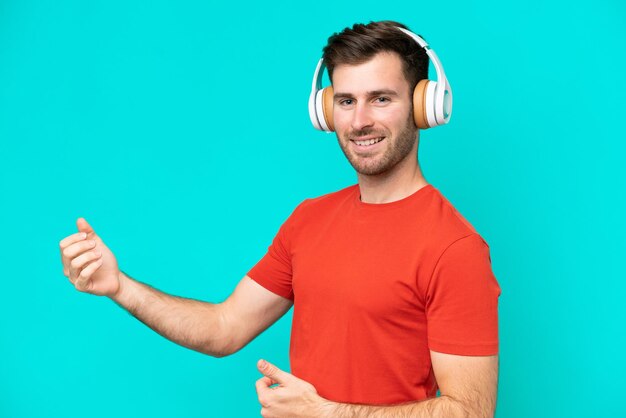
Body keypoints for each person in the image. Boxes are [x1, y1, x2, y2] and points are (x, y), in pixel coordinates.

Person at [59, 20, 501, 418]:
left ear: (425, 104)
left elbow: (470, 412)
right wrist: (120, 287)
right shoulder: (309, 219)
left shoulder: (454, 247)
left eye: (381, 99)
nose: (360, 120)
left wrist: (325, 413)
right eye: (346, 101)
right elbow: (224, 328)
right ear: (325, 111)